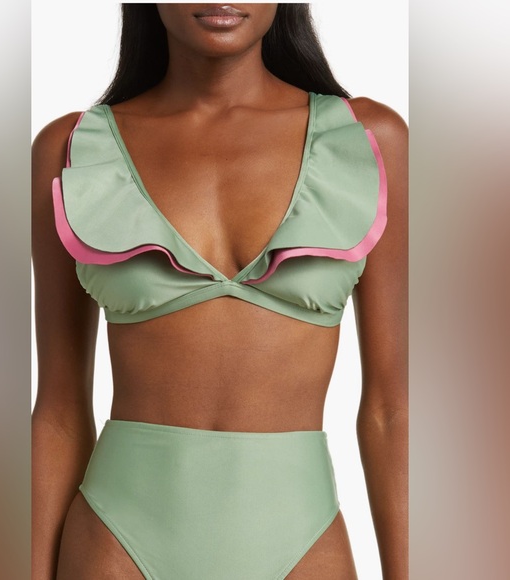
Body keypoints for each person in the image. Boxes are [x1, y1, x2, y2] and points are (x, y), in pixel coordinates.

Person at [32, 3, 408, 579]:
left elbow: (392, 408)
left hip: (301, 543)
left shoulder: (368, 139)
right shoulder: (71, 148)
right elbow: (58, 411)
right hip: (116, 542)